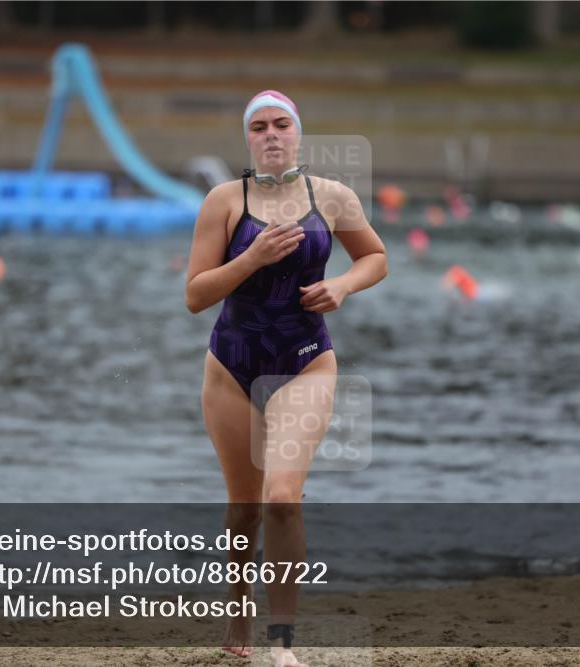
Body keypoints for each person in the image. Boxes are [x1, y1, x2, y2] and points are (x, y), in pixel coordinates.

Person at [186, 90, 388, 666]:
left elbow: (376, 257)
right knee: (244, 508)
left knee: (281, 499)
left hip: (305, 360)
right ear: (247, 138)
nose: (271, 134)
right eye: (259, 127)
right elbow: (195, 295)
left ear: (297, 133)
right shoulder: (225, 201)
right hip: (231, 365)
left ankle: (282, 643)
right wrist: (251, 258)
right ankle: (238, 604)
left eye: (281, 124)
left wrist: (344, 285)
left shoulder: (332, 196)